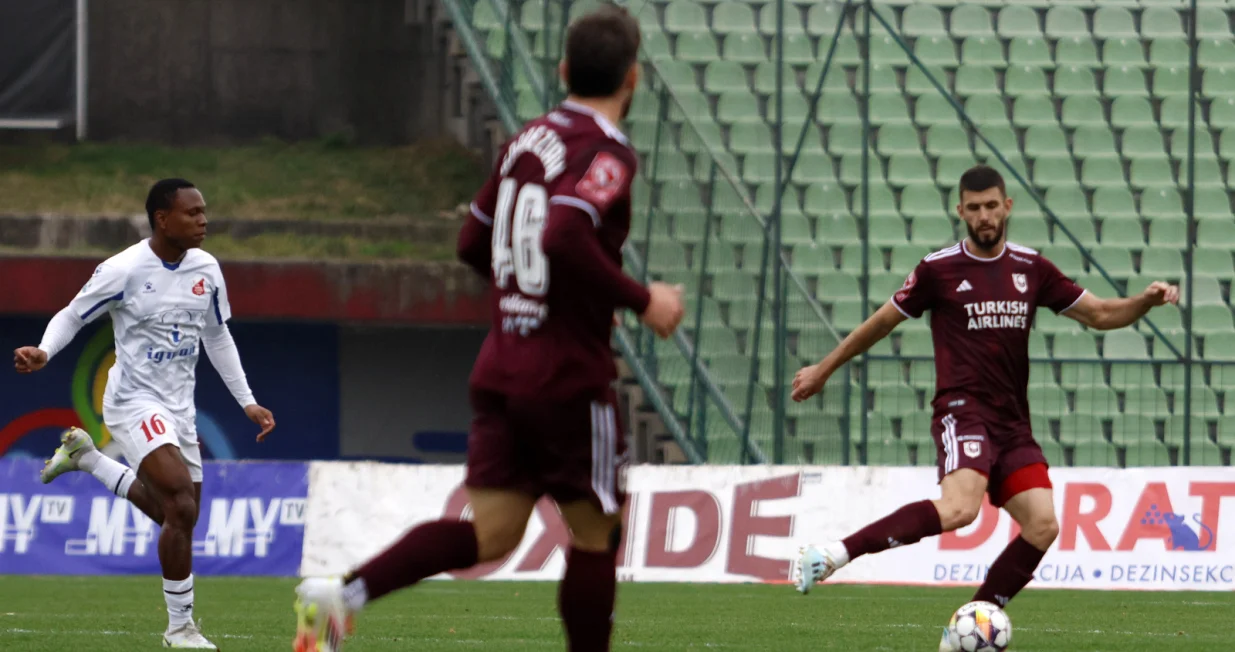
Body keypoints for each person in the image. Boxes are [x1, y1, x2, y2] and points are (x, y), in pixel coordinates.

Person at [291, 6, 684, 652]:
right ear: (633, 79)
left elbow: (473, 240)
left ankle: (342, 597)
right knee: (597, 534)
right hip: (566, 377)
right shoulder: (607, 151)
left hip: (503, 366)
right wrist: (641, 299)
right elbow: (562, 232)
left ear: (561, 70)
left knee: (490, 534)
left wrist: (548, 297)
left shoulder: (525, 141)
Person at [790, 166, 1179, 631]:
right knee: (960, 508)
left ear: (1007, 206)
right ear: (961, 212)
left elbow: (1098, 314)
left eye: (992, 206)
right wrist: (824, 368)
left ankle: (971, 623)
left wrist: (1144, 301)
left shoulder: (1030, 268)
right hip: (963, 410)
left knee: (1043, 525)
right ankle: (833, 554)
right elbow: (882, 322)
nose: (984, 216)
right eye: (973, 208)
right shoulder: (938, 269)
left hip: (1013, 424)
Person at [15, 178, 276, 650]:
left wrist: (247, 401)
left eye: (203, 212)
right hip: (132, 401)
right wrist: (45, 351)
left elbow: (217, 336)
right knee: (179, 500)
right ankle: (180, 628)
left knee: (179, 514)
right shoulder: (124, 269)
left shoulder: (207, 269)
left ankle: (87, 459)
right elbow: (74, 314)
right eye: (192, 213)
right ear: (162, 219)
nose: (203, 220)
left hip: (180, 407)